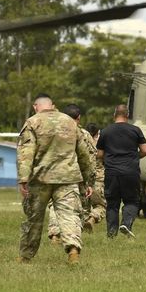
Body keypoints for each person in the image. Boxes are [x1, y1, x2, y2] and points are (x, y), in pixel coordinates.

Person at [17, 94, 94, 265]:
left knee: (34, 218)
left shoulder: (32, 122)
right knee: (69, 216)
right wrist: (88, 180)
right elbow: (83, 154)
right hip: (68, 178)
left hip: (40, 179)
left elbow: (26, 153)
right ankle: (73, 251)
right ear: (53, 105)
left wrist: (23, 178)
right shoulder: (70, 122)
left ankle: (25, 257)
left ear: (35, 107)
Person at [47, 104, 102, 242]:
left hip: (55, 175)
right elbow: (91, 159)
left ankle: (55, 233)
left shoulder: (52, 132)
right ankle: (71, 239)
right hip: (78, 177)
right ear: (78, 118)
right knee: (77, 209)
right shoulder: (84, 135)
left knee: (55, 204)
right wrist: (90, 182)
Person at [96, 104, 146, 239]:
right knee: (132, 201)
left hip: (111, 172)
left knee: (112, 203)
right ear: (127, 115)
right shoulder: (136, 130)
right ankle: (126, 223)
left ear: (115, 115)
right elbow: (145, 151)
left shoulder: (105, 131)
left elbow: (99, 154)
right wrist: (133, 157)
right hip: (130, 171)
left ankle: (111, 233)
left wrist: (110, 159)